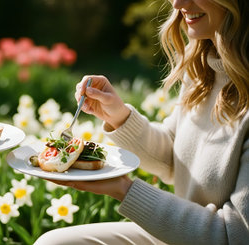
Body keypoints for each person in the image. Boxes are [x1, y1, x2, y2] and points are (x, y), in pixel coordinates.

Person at [35, 0, 248, 244]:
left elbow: (234, 236)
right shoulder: (204, 64)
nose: (177, 3)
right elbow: (173, 159)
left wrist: (123, 189)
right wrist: (117, 116)